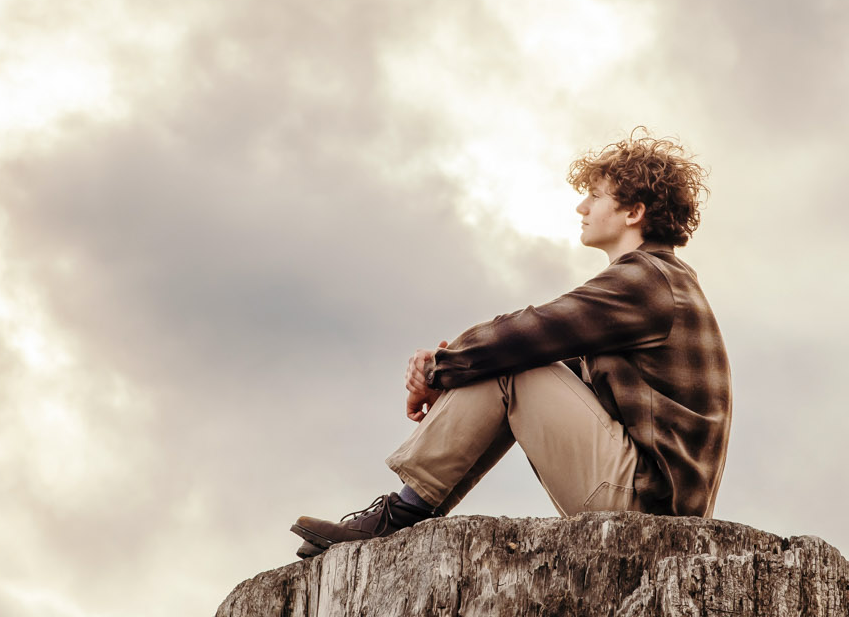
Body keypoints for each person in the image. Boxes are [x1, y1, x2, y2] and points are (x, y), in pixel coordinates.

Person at [290, 131, 731, 556]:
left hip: (647, 508)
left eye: (595, 196)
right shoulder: (660, 284)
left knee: (515, 361)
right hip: (649, 501)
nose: (581, 206)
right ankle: (405, 511)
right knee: (506, 359)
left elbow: (530, 332)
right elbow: (568, 373)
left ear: (633, 212)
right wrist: (455, 366)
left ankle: (403, 513)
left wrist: (437, 368)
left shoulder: (646, 280)